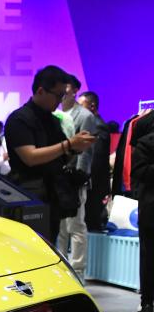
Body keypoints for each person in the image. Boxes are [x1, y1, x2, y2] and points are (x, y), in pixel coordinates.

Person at [4, 65, 94, 242]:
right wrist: (68, 144)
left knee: (49, 246)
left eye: (62, 96)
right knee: (28, 248)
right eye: (58, 95)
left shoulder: (52, 121)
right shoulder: (19, 119)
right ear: (40, 91)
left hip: (52, 196)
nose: (60, 101)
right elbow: (30, 157)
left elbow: (61, 156)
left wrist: (75, 148)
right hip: (27, 196)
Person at [54, 75, 98, 273]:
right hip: (58, 177)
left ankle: (78, 271)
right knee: (61, 227)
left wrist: (80, 176)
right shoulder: (56, 113)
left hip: (75, 179)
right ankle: (61, 268)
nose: (64, 90)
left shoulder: (85, 116)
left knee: (76, 226)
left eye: (67, 86)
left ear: (74, 90)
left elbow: (86, 151)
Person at [78, 91, 112, 231]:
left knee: (90, 224)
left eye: (81, 106)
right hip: (91, 184)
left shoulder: (97, 126)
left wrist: (83, 178)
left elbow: (96, 160)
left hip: (93, 186)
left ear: (92, 106)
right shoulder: (90, 124)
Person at [133, 120, 154, 312]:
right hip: (151, 209)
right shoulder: (146, 142)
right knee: (149, 258)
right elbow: (138, 172)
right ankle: (147, 303)